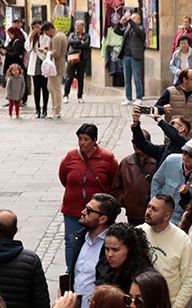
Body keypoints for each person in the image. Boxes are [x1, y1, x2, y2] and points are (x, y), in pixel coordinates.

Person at [59, 124, 118, 271]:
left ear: (95, 140)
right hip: (73, 208)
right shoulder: (71, 156)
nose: (82, 143)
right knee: (70, 241)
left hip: (97, 212)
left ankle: (95, 268)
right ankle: (71, 270)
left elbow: (114, 180)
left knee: (97, 239)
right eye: (80, 139)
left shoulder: (107, 158)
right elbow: (63, 177)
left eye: (86, 139)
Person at [138, 196, 192, 308]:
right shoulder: (138, 232)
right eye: (148, 206)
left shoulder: (182, 240)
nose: (148, 211)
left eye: (154, 209)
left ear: (167, 216)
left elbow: (189, 281)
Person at [68, 193, 120, 308]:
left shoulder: (111, 248)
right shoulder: (80, 239)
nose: (83, 212)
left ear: (102, 219)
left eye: (89, 210)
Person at [149, 138, 192, 225]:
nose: (186, 157)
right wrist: (155, 206)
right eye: (185, 152)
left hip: (183, 219)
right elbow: (156, 182)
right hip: (162, 214)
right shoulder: (170, 160)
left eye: (191, 155)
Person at [110, 127, 160, 225]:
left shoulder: (158, 161)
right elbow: (115, 189)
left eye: (140, 141)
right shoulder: (126, 162)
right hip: (133, 215)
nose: (136, 144)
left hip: (154, 214)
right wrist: (126, 201)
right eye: (134, 141)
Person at [101, 222, 154, 294]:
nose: (110, 254)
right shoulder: (103, 267)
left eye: (115, 250)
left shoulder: (145, 278)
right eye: (107, 249)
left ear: (130, 250)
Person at [153, 67, 192, 137]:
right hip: (172, 137)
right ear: (184, 80)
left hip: (191, 138)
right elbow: (155, 109)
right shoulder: (170, 92)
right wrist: (163, 109)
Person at [115, 11, 147, 103]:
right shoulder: (128, 28)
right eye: (131, 18)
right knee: (127, 78)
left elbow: (138, 30)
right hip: (126, 56)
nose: (132, 20)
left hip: (135, 56)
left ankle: (139, 97)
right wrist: (120, 23)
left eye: (134, 18)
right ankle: (128, 98)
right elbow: (117, 31)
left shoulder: (140, 28)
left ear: (138, 20)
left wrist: (130, 20)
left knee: (137, 78)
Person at [43, 22, 69, 119]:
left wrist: (46, 51)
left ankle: (56, 110)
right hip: (55, 64)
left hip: (55, 65)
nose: (46, 35)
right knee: (51, 87)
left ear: (50, 29)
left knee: (55, 88)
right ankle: (55, 109)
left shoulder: (57, 37)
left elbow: (56, 53)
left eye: (46, 33)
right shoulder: (59, 35)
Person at [27, 20, 50, 116]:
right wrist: (31, 37)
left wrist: (43, 50)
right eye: (34, 27)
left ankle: (45, 108)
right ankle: (37, 109)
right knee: (36, 88)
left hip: (44, 61)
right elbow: (28, 48)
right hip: (35, 63)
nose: (37, 29)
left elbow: (48, 48)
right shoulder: (32, 36)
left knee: (45, 87)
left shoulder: (46, 36)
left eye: (38, 27)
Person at [65, 20, 90, 103]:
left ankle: (80, 96)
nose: (77, 28)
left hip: (82, 59)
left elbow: (86, 45)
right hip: (72, 58)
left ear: (83, 26)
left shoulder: (86, 36)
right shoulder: (72, 35)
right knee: (69, 77)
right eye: (76, 26)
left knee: (80, 78)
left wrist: (77, 44)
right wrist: (79, 42)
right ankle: (66, 95)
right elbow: (70, 42)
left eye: (78, 26)